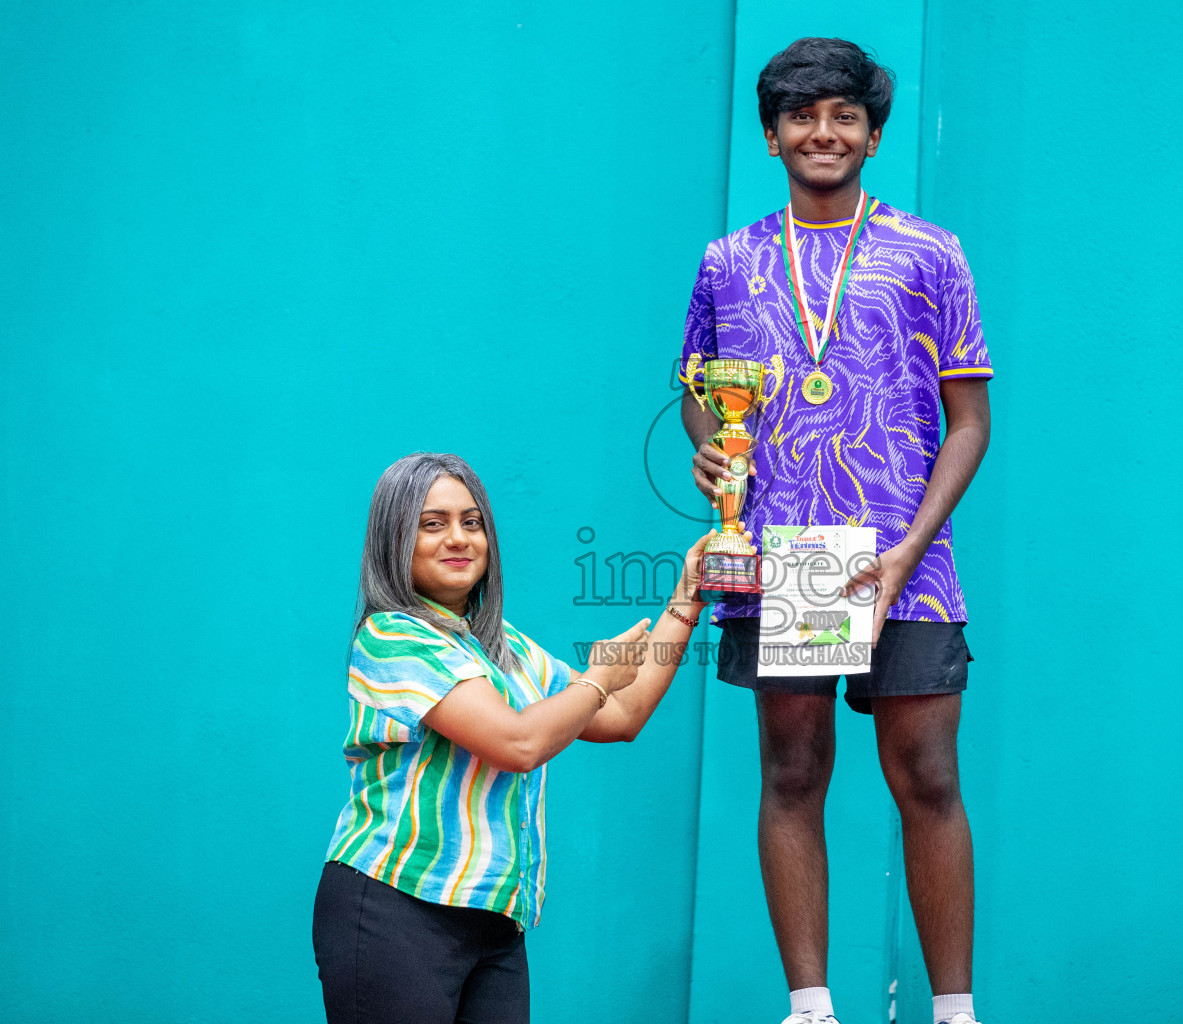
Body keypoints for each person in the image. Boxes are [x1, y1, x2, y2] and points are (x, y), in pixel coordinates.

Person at [678, 37, 993, 1024]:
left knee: (929, 776)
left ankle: (954, 1011)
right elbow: (698, 393)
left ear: (872, 134)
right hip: (790, 557)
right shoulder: (728, 262)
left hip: (906, 559)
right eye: (803, 115)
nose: (825, 132)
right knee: (794, 768)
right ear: (771, 136)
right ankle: (810, 1007)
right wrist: (713, 452)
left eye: (845, 114)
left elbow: (970, 420)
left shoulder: (930, 252)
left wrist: (909, 547)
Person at [312, 452, 709, 1024]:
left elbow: (623, 711)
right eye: (433, 523)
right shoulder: (392, 637)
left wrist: (686, 599)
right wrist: (596, 679)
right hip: (395, 909)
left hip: (495, 922)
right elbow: (518, 744)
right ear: (394, 538)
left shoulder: (507, 648)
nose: (459, 538)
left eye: (472, 523)